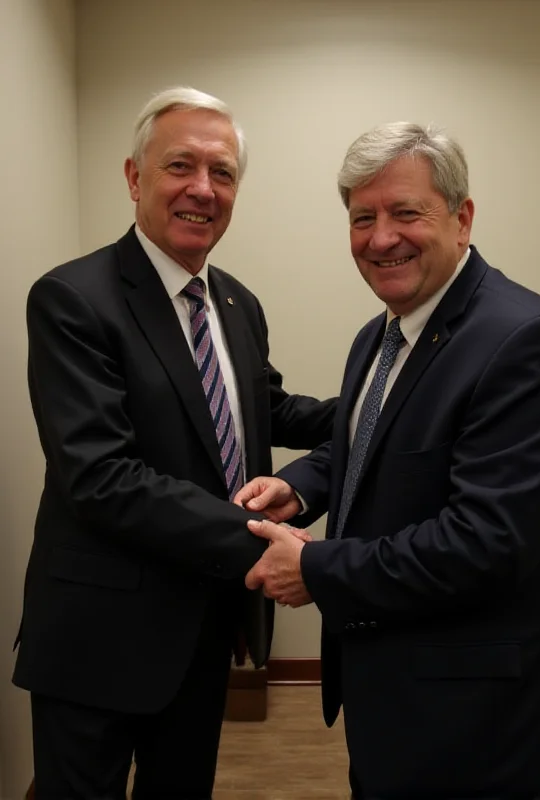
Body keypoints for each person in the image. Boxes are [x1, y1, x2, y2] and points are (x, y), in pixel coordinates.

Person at [235, 122, 540, 800]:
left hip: (476, 723)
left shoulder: (527, 341)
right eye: (362, 217)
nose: (380, 237)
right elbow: (366, 441)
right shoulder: (383, 331)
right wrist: (299, 487)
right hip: (394, 698)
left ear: (462, 220)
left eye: (406, 212)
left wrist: (314, 566)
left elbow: (486, 544)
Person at [13, 86, 336, 799]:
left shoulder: (235, 302)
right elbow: (102, 477)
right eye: (180, 167)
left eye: (222, 174)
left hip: (203, 623)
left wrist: (385, 407)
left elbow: (263, 408)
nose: (203, 189)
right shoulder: (74, 299)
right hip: (99, 634)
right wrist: (263, 542)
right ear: (134, 178)